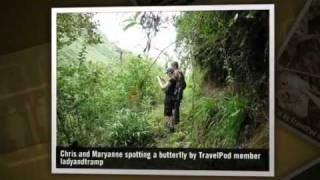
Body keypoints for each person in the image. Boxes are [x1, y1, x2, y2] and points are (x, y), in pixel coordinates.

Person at [157, 67, 177, 132]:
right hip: (173, 97)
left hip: (169, 98)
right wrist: (163, 80)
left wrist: (158, 80)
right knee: (170, 112)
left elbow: (163, 87)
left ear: (170, 72)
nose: (167, 74)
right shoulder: (174, 79)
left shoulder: (171, 79)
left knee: (169, 113)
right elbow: (169, 86)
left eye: (167, 73)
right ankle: (171, 126)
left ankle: (171, 127)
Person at [171, 61, 186, 125]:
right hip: (180, 91)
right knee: (177, 106)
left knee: (175, 106)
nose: (172, 68)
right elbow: (184, 85)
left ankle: (176, 122)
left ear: (174, 66)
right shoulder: (181, 72)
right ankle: (177, 121)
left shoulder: (176, 72)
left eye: (172, 66)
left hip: (177, 92)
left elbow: (171, 81)